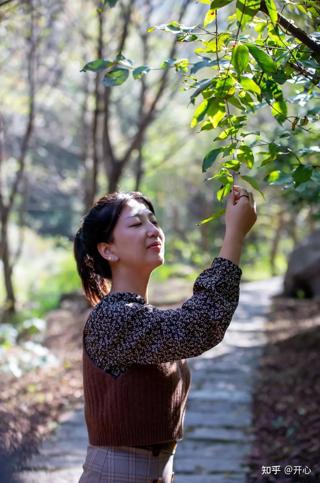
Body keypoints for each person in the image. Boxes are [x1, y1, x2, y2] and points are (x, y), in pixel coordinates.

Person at [73, 186, 257, 483]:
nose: (152, 230)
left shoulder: (137, 314)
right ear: (108, 250)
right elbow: (199, 324)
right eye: (136, 224)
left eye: (153, 221)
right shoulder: (113, 317)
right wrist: (234, 235)